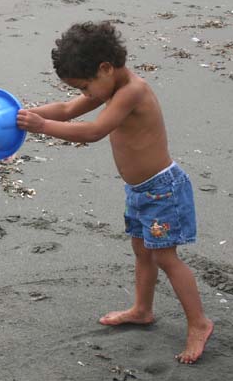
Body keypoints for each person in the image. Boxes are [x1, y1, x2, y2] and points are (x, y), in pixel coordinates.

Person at [15, 21, 213, 364]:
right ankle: (142, 309)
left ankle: (199, 322)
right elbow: (65, 110)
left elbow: (93, 131)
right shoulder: (107, 87)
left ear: (106, 68)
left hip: (163, 191)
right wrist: (23, 115)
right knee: (141, 251)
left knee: (166, 258)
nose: (87, 94)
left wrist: (43, 129)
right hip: (139, 191)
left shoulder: (132, 91)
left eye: (86, 86)